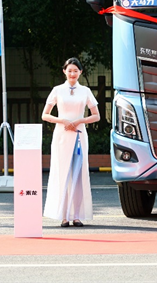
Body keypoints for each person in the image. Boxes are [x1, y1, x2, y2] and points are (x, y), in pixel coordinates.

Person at [42, 57, 100, 227]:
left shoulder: (86, 91)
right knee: (62, 174)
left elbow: (96, 115)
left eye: (76, 70)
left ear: (80, 72)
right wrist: (63, 121)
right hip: (62, 136)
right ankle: (63, 216)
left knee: (79, 174)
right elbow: (45, 115)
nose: (72, 73)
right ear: (64, 72)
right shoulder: (57, 90)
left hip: (80, 135)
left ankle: (77, 215)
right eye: (70, 70)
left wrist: (79, 121)